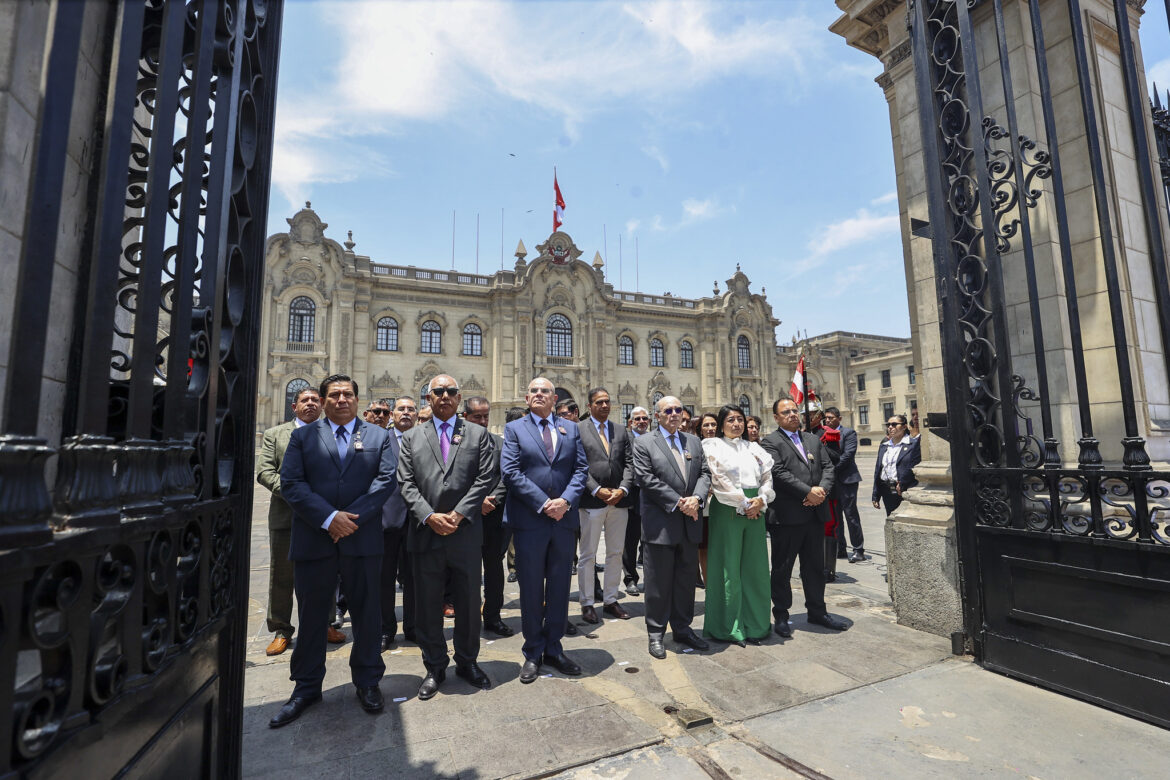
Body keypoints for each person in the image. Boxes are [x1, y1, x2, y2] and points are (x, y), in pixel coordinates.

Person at [270, 374, 397, 727]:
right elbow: (291, 483)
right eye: (335, 395)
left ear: (357, 399)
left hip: (361, 539)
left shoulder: (379, 436)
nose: (342, 400)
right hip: (315, 539)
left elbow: (386, 481)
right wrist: (328, 519)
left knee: (367, 615)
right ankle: (306, 687)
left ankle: (368, 681)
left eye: (348, 394)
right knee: (312, 617)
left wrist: (349, 519)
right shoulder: (303, 437)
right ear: (324, 400)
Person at [398, 375, 496, 699]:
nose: (444, 396)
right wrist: (429, 515)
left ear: (459, 397)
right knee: (427, 605)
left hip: (464, 533)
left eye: (450, 391)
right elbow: (405, 483)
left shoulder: (478, 434)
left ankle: (468, 662)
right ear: (428, 398)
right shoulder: (412, 437)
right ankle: (435, 666)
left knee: (468, 603)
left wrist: (459, 513)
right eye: (438, 391)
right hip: (426, 534)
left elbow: (485, 477)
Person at [501, 377, 589, 683]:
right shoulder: (515, 429)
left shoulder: (571, 429)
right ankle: (532, 651)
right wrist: (543, 503)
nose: (539, 394)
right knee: (531, 588)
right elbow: (510, 472)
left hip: (563, 520)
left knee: (560, 587)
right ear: (527, 399)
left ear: (554, 399)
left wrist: (564, 501)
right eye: (534, 391)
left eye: (545, 391)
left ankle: (554, 648)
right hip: (530, 521)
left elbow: (581, 469)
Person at [760, 399, 849, 638]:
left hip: (814, 514)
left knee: (815, 567)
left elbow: (828, 467)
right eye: (785, 412)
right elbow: (778, 473)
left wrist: (821, 491)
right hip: (787, 516)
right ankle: (781, 615)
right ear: (776, 418)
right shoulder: (770, 442)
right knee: (782, 568)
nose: (792, 414)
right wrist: (807, 492)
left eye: (794, 411)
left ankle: (817, 611)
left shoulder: (812, 439)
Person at [256, 386, 335, 656]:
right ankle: (281, 629)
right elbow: (265, 472)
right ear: (294, 406)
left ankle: (325, 623)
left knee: (325, 572)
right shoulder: (275, 435)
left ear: (321, 405)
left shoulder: (332, 433)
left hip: (324, 517)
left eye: (315, 400)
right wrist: (299, 494)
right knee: (282, 575)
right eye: (305, 400)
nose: (310, 404)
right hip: (286, 515)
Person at [634, 396, 712, 659]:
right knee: (658, 583)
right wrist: (680, 502)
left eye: (679, 409)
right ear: (657, 416)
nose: (674, 414)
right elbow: (646, 478)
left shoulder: (693, 441)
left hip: (690, 523)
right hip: (661, 524)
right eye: (668, 410)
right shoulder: (644, 442)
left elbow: (705, 473)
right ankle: (656, 633)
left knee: (685, 581)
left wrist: (697, 498)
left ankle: (683, 628)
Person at [701, 404, 775, 645]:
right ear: (721, 424)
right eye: (731, 420)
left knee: (755, 568)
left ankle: (756, 625)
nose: (736, 424)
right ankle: (728, 626)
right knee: (728, 568)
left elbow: (767, 477)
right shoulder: (713, 446)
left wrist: (761, 500)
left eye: (740, 419)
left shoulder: (754, 448)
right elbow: (719, 479)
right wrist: (743, 503)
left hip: (756, 507)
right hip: (728, 508)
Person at [577, 387, 635, 624]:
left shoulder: (620, 430)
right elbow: (578, 464)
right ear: (589, 406)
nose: (604, 405)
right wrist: (596, 489)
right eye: (599, 402)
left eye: (607, 401)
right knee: (588, 554)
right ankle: (587, 602)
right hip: (592, 501)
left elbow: (630, 463)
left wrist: (623, 489)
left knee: (615, 552)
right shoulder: (579, 429)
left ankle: (611, 600)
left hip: (619, 501)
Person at [463, 395, 515, 638]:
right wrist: (476, 502)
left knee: (494, 568)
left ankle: (493, 616)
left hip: (494, 517)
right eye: (477, 417)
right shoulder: (454, 444)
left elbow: (507, 476)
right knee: (467, 571)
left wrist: (492, 500)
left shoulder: (499, 443)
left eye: (486, 416)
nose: (483, 421)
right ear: (466, 417)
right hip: (466, 518)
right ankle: (468, 618)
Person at [380, 397, 417, 650]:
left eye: (410, 409)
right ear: (392, 414)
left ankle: (413, 627)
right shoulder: (380, 439)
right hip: (386, 519)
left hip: (417, 519)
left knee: (415, 577)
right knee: (384, 578)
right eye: (401, 409)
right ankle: (385, 629)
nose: (405, 413)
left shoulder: (426, 439)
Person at [823, 406, 864, 562]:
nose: (828, 420)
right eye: (826, 418)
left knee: (850, 515)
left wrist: (831, 471)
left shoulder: (848, 433)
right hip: (832, 483)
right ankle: (840, 548)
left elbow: (848, 455)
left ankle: (858, 549)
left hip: (847, 480)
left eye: (831, 418)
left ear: (839, 419)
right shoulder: (824, 435)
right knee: (835, 517)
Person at [622, 406, 652, 596]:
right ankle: (630, 578)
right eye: (637, 419)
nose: (641, 422)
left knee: (650, 541)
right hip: (632, 496)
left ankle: (652, 578)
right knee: (630, 541)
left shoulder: (654, 439)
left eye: (644, 418)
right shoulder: (624, 439)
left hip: (652, 496)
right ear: (630, 422)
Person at [872, 414, 921, 515]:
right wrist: (875, 494)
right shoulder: (884, 446)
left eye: (894, 424)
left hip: (904, 489)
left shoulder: (913, 444)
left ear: (904, 426)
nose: (890, 427)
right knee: (891, 517)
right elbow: (878, 470)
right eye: (888, 425)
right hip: (886, 489)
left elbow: (913, 467)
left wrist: (903, 482)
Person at [695, 413, 720, 588]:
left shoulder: (726, 446)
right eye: (706, 425)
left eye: (713, 425)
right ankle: (709, 585)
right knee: (704, 548)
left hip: (725, 504)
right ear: (700, 429)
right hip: (706, 504)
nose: (710, 429)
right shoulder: (696, 446)